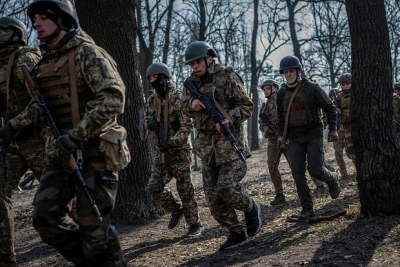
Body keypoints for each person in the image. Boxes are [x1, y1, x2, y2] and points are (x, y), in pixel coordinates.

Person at [26, 0, 130, 266]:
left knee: (94, 232)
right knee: (44, 218)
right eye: (34, 18)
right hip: (60, 154)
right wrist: (35, 113)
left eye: (42, 17)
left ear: (62, 19)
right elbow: (41, 109)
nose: (35, 23)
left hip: (95, 151)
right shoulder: (43, 64)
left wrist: (75, 136)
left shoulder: (88, 53)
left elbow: (113, 98)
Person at [182, 41, 261, 250]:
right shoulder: (190, 83)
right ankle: (236, 232)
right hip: (207, 149)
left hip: (229, 144)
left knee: (226, 188)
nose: (195, 67)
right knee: (213, 200)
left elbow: (247, 106)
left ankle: (252, 207)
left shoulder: (227, 76)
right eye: (192, 64)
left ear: (209, 58)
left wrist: (229, 118)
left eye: (198, 62)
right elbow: (182, 107)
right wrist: (191, 105)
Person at [0, 16, 45, 267]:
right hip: (12, 143)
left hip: (38, 139)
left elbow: (42, 104)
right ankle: (6, 258)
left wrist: (12, 126)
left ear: (14, 33)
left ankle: (90, 250)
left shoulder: (25, 59)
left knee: (59, 202)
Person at [276, 55, 341, 220]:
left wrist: (333, 129)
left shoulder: (312, 88)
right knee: (297, 172)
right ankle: (307, 209)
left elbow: (330, 107)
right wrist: (279, 136)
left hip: (313, 134)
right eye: (285, 71)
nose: (288, 74)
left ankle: (332, 179)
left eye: (291, 71)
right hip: (295, 137)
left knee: (315, 170)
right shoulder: (281, 93)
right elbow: (281, 118)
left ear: (298, 71)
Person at [144, 62, 204, 236]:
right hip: (160, 153)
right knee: (154, 186)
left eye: (156, 77)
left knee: (185, 189)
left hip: (179, 152)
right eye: (150, 78)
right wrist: (149, 123)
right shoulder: (152, 100)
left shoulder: (178, 97)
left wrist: (171, 142)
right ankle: (176, 209)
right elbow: (146, 117)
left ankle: (195, 224)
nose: (153, 81)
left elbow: (186, 127)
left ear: (164, 77)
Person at [258, 79, 287, 205]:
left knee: (297, 165)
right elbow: (261, 124)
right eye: (264, 89)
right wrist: (266, 130)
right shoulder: (265, 106)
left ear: (275, 88)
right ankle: (279, 194)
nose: (265, 91)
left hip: (287, 138)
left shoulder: (283, 100)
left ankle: (317, 186)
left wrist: (283, 133)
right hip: (273, 140)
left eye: (268, 88)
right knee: (272, 165)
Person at [335, 73, 356, 166]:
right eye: (343, 84)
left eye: (347, 83)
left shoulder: (357, 94)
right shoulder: (339, 97)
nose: (345, 86)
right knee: (350, 152)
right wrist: (340, 123)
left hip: (358, 125)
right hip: (346, 127)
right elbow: (334, 110)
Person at [328, 88, 349, 179]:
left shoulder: (344, 102)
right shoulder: (329, 106)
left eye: (334, 95)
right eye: (331, 96)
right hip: (337, 132)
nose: (333, 97)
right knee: (338, 153)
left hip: (348, 129)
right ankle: (344, 173)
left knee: (351, 152)